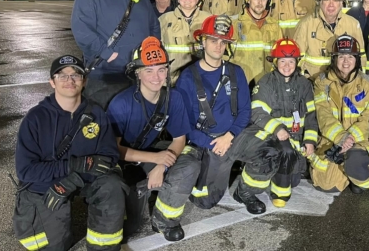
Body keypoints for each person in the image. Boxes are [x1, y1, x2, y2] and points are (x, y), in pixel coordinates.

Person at [13, 55, 125, 251]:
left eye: (76, 75)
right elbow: (26, 171)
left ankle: (104, 248)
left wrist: (73, 179)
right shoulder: (35, 118)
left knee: (112, 185)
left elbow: (109, 156)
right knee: (55, 245)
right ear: (52, 82)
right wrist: (71, 166)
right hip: (47, 182)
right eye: (62, 75)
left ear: (84, 81)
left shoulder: (96, 113)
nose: (69, 80)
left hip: (83, 179)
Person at [175, 14, 280, 214]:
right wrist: (211, 144)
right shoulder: (187, 77)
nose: (218, 46)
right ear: (203, 42)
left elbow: (244, 111)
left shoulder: (236, 72)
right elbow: (183, 124)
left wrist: (229, 136)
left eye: (223, 42)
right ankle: (197, 171)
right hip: (208, 143)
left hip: (234, 136)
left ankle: (245, 192)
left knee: (271, 150)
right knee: (204, 202)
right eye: (213, 40)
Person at [107, 37, 199, 242]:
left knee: (191, 162)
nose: (156, 77)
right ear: (137, 74)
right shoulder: (121, 104)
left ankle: (164, 219)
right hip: (122, 162)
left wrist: (162, 166)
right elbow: (113, 149)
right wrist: (156, 159)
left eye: (161, 69)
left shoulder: (173, 98)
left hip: (151, 154)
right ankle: (136, 191)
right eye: (148, 70)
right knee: (128, 229)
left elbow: (179, 138)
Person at [71, 0, 160, 109]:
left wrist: (152, 51)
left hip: (140, 74)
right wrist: (105, 53)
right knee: (106, 128)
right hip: (106, 77)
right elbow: (82, 30)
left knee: (138, 126)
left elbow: (154, 26)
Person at [249, 38, 319, 207]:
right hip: (271, 137)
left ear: (297, 62)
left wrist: (310, 141)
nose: (286, 66)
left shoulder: (304, 85)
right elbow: (256, 112)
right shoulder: (265, 83)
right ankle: (280, 195)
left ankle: (280, 173)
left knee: (294, 179)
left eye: (291, 61)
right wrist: (278, 129)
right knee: (284, 154)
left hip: (296, 139)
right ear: (275, 62)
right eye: (282, 61)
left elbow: (311, 116)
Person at [311, 35, 369, 193]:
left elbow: (368, 117)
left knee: (356, 162)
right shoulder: (321, 83)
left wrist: (350, 138)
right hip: (332, 139)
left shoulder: (368, 84)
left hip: (358, 140)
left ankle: (356, 170)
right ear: (334, 59)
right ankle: (349, 171)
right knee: (326, 185)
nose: (346, 61)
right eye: (341, 56)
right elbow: (323, 114)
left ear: (357, 59)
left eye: (350, 56)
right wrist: (340, 137)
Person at [293, 0, 365, 81]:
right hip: (314, 83)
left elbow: (360, 57)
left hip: (344, 84)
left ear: (342, 2)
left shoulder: (353, 24)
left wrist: (359, 80)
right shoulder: (305, 24)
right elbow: (296, 59)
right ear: (320, 1)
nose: (331, 4)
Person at [230, 0, 283, 87]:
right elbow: (225, 56)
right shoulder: (235, 24)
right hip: (242, 84)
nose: (260, 2)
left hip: (268, 85)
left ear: (268, 0)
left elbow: (279, 57)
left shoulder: (275, 26)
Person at [159, 0, 210, 84]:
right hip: (171, 80)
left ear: (198, 0)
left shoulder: (209, 19)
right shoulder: (164, 20)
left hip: (202, 79)